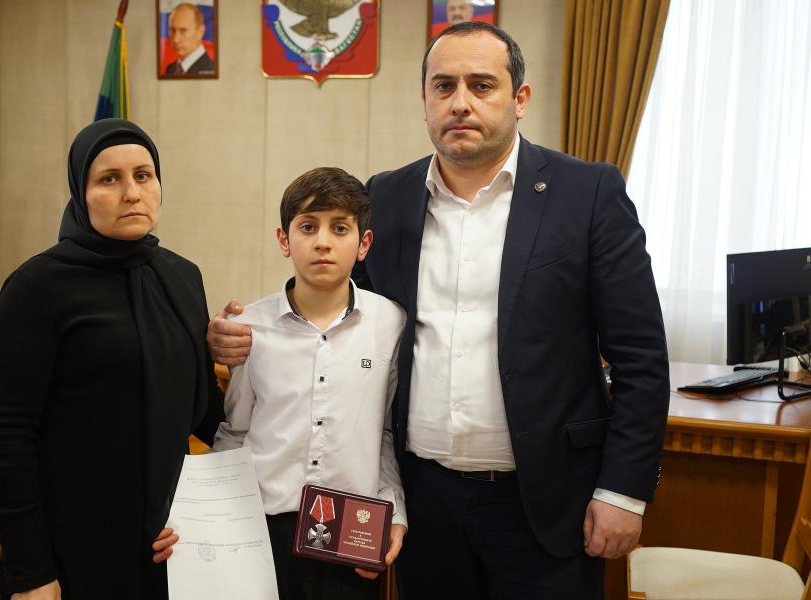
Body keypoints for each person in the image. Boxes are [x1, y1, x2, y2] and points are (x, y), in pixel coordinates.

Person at [208, 21, 670, 599]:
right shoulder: (388, 196)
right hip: (425, 504)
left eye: (482, 85)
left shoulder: (588, 192)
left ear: (520, 98)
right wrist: (241, 332)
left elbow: (641, 356)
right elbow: (342, 316)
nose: (461, 102)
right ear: (424, 100)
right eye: (444, 86)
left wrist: (623, 490)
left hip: (547, 501)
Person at [0, 118, 223, 600]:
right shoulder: (36, 288)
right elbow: (9, 441)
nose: (132, 193)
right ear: (81, 192)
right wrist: (31, 571)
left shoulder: (182, 276)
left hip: (166, 542)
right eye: (109, 179)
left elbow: (202, 411)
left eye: (143, 175)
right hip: (71, 549)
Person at [208, 167, 406, 599]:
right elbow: (235, 432)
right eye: (308, 227)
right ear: (284, 240)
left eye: (340, 228)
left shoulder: (390, 323)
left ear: (363, 244)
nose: (323, 242)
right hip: (263, 528)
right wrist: (213, 519)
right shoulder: (249, 326)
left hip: (350, 532)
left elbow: (385, 434)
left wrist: (395, 512)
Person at [164, 3, 214, 76]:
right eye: (172, 30)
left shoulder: (210, 69)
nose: (175, 39)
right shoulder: (170, 69)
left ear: (200, 32)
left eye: (183, 31)